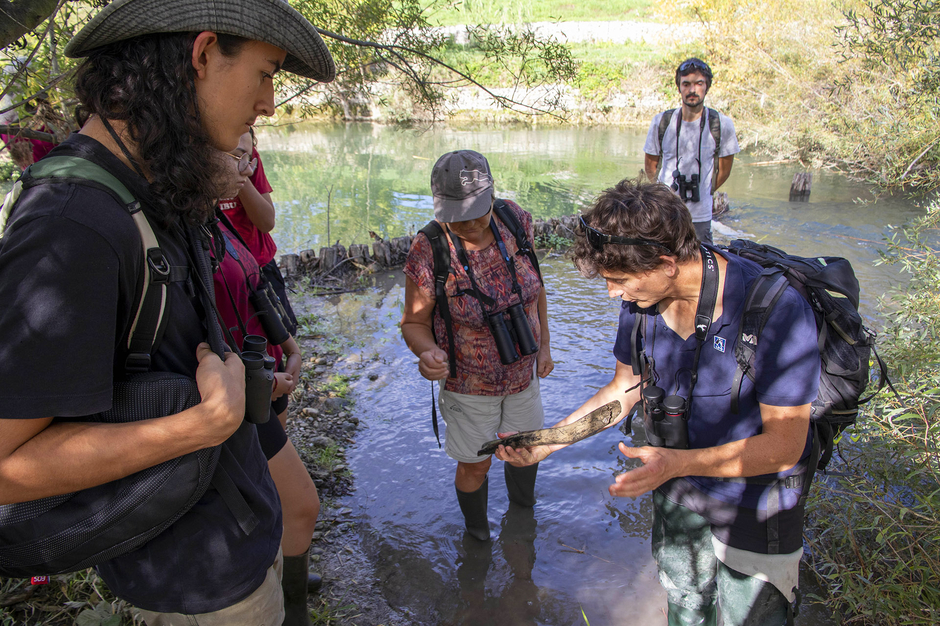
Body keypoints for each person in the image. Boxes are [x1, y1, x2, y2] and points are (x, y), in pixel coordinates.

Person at [0, 0, 334, 624]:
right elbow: (5, 466)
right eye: (266, 74)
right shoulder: (72, 225)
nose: (268, 103)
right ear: (203, 54)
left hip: (229, 537)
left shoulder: (147, 188)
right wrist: (201, 424)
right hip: (196, 585)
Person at [496, 179, 820, 625]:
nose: (613, 293)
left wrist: (675, 464)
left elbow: (785, 445)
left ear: (667, 264)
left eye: (618, 280)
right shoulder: (642, 301)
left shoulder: (776, 309)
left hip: (757, 503)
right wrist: (548, 442)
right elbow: (623, 391)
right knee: (685, 604)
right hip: (677, 488)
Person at [401, 150, 553, 541]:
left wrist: (545, 348)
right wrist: (426, 353)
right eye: (457, 215)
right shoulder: (429, 248)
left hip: (523, 373)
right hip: (469, 386)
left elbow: (535, 289)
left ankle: (523, 517)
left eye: (478, 211)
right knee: (475, 465)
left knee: (525, 451)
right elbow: (415, 322)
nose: (469, 223)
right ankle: (477, 533)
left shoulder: (514, 220)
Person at [214, 151, 321, 625]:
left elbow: (257, 288)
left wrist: (290, 347)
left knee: (297, 505)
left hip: (253, 388)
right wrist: (260, 377)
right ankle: (286, 601)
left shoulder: (218, 227)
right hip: (219, 406)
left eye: (247, 155)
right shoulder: (176, 229)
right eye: (233, 155)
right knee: (290, 506)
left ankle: (292, 597)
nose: (245, 167)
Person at [219, 128, 299, 354]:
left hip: (260, 267)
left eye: (245, 155)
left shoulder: (249, 159)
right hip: (225, 277)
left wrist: (241, 173)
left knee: (280, 337)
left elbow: (267, 222)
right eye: (233, 155)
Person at [644, 58, 740, 244]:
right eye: (686, 84)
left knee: (701, 265)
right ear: (679, 88)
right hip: (666, 213)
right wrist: (663, 194)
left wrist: (706, 190)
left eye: (698, 84)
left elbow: (725, 170)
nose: (692, 90)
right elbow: (650, 166)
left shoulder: (721, 124)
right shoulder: (661, 122)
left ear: (707, 87)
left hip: (701, 216)